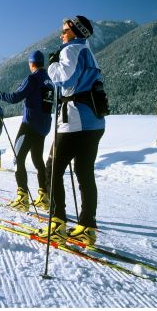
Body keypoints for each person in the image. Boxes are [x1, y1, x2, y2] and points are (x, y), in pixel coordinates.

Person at [37, 15, 106, 245]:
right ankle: (87, 226)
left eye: (65, 30)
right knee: (84, 172)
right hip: (94, 122)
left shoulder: (71, 50)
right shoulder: (87, 51)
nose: (61, 34)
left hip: (76, 120)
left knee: (52, 169)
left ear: (75, 32)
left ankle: (57, 223)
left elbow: (65, 80)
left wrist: (54, 64)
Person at [0, 50, 54, 212]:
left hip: (30, 124)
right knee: (38, 160)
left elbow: (15, 97)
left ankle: (22, 197)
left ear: (31, 63)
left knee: (18, 158)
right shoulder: (49, 80)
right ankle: (44, 196)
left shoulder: (32, 78)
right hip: (44, 126)